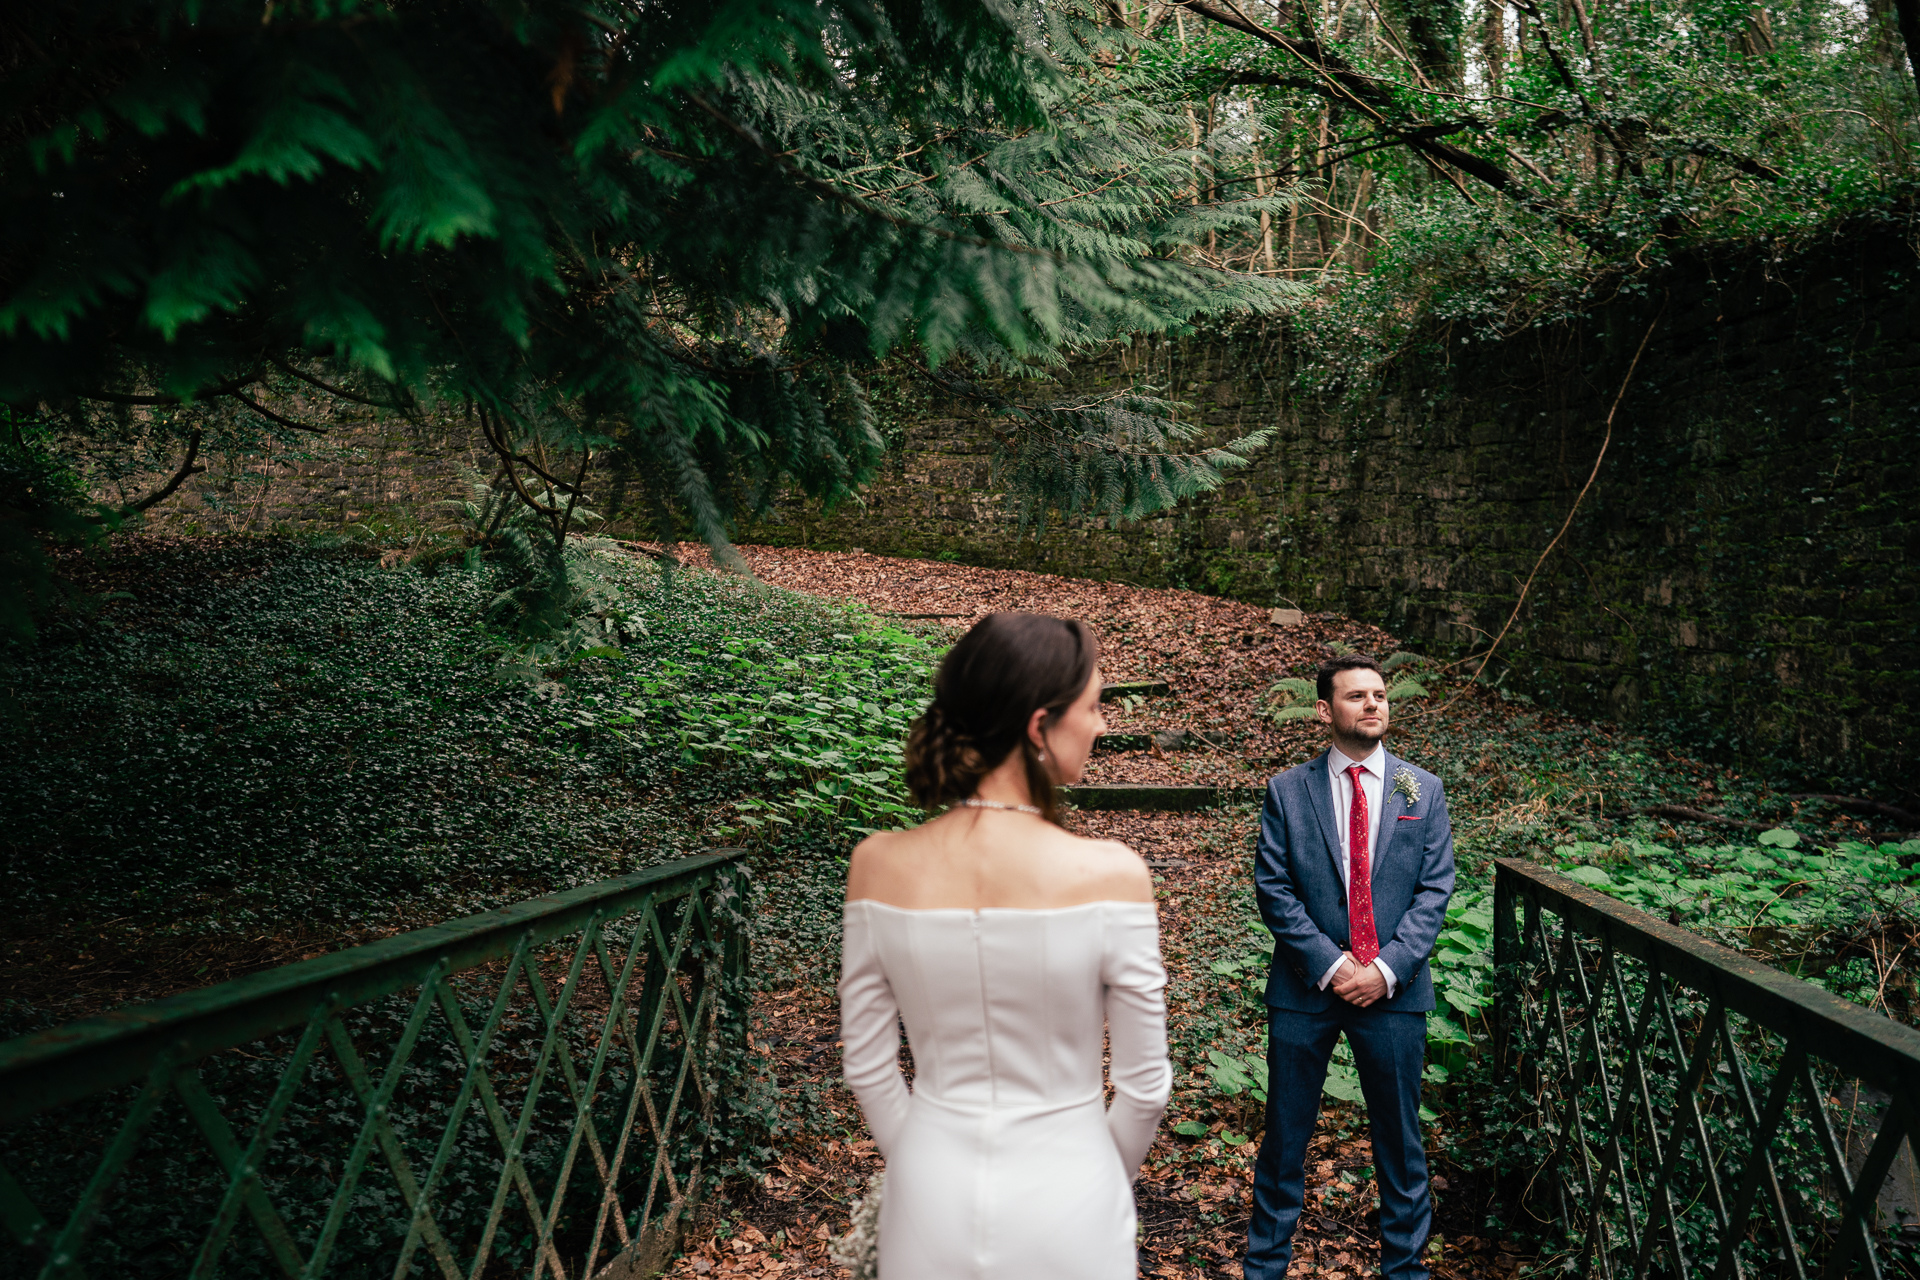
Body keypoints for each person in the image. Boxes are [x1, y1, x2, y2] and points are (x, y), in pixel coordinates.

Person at [839, 612, 1172, 1279]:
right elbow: (1144, 1090)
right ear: (1037, 725)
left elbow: (869, 1069)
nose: (1102, 723)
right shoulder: (1113, 873)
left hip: (928, 1189)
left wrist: (922, 1165)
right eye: (1094, 705)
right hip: (1072, 1189)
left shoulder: (876, 863)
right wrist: (1097, 1180)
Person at [1245, 652, 1456, 1280]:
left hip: (1394, 993)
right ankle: (1265, 1269)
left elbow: (1434, 890)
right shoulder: (1288, 789)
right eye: (1356, 695)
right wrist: (1333, 966)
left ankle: (1406, 1272)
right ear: (1324, 710)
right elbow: (1273, 888)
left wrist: (1386, 968)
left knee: (1401, 1146)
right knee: (1284, 1140)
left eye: (1380, 695)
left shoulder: (1424, 789)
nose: (1372, 705)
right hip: (1304, 991)